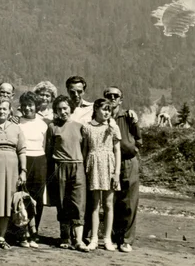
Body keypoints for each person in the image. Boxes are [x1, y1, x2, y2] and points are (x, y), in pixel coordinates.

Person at [45, 95, 89, 252]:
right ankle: (65, 237)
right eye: (59, 109)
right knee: (62, 203)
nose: (63, 111)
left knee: (78, 203)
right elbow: (48, 151)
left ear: (71, 108)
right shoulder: (53, 127)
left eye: (65, 108)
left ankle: (78, 240)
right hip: (59, 167)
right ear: (56, 111)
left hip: (77, 166)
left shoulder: (80, 126)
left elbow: (85, 149)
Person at [0, 97, 26, 249]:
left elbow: (21, 150)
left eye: (5, 109)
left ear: (10, 111)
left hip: (12, 169)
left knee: (7, 201)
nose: (2, 111)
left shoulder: (16, 127)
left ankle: (1, 237)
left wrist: (23, 171)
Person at [84, 98, 121, 252]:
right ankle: (93, 238)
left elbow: (117, 150)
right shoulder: (87, 127)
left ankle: (107, 238)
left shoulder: (113, 127)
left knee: (108, 204)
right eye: (104, 109)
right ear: (96, 109)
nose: (107, 112)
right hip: (93, 164)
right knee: (94, 203)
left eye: (109, 110)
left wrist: (117, 172)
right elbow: (85, 149)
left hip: (109, 165)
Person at [107, 87, 141, 253]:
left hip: (127, 162)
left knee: (129, 201)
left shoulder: (128, 116)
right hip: (108, 162)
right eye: (109, 96)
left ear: (121, 99)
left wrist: (133, 149)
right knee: (110, 200)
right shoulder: (101, 115)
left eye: (116, 96)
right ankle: (111, 237)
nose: (112, 98)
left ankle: (126, 240)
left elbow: (139, 138)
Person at [17, 91, 48, 247]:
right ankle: (23, 231)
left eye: (31, 105)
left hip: (39, 161)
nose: (28, 108)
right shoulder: (17, 122)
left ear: (36, 106)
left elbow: (45, 146)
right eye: (25, 105)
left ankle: (34, 231)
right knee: (23, 196)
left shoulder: (43, 124)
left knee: (37, 198)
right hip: (23, 160)